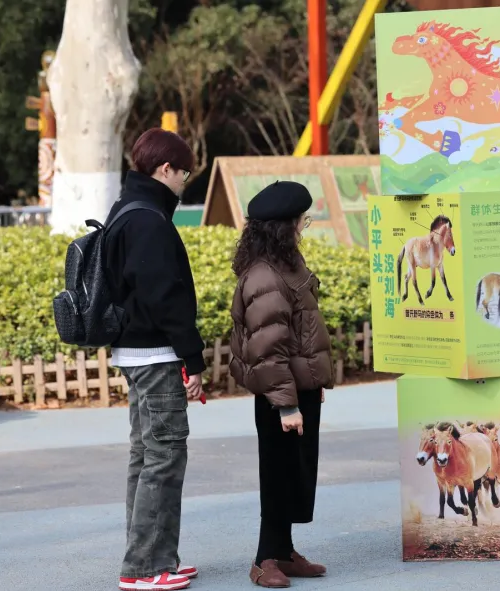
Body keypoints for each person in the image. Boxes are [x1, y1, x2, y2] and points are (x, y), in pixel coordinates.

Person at [105, 128, 206, 591]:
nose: (184, 181)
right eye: (183, 172)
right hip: (156, 354)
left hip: (133, 351)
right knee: (164, 457)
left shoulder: (126, 209)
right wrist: (193, 358)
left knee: (146, 456)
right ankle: (144, 567)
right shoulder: (149, 220)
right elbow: (166, 297)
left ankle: (154, 557)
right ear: (165, 169)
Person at [229, 180, 335, 589]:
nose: (302, 228)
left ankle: (286, 553)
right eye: (301, 221)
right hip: (280, 396)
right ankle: (264, 559)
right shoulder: (265, 276)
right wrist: (287, 404)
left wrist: (311, 383)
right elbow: (267, 348)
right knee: (277, 474)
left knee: (296, 474)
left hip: (297, 388)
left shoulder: (286, 265)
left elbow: (302, 332)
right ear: (283, 227)